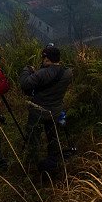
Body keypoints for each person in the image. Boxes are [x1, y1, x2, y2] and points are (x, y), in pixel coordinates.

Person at [20, 44, 73, 173]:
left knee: (33, 136)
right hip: (55, 110)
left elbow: (25, 84)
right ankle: (53, 159)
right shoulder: (68, 72)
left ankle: (32, 163)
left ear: (47, 59)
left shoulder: (43, 73)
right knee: (52, 136)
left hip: (38, 111)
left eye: (44, 59)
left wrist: (27, 70)